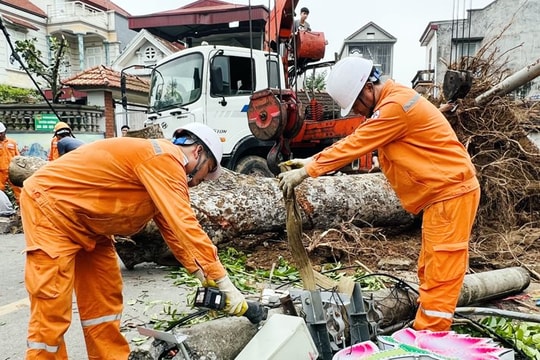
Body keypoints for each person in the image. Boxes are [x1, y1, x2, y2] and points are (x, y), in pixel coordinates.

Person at [278, 56, 481, 332]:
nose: (359, 113)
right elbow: (375, 139)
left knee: (441, 270)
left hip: (449, 193)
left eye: (357, 106)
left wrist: (309, 169)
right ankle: (430, 325)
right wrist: (312, 159)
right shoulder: (394, 100)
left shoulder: (394, 107)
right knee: (431, 266)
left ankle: (430, 335)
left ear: (366, 89)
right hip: (443, 193)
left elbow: (358, 141)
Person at [21, 122, 247, 359]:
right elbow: (186, 224)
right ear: (198, 152)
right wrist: (224, 282)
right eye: (207, 171)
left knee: (104, 302)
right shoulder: (166, 158)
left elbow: (174, 231)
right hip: (51, 211)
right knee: (52, 305)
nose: (202, 180)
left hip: (91, 224)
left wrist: (203, 274)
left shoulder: (160, 168)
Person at [0, 121, 21, 200]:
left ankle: (20, 207)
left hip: (12, 171)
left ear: (4, 132)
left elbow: (17, 156)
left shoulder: (12, 142)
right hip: (0, 173)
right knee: (0, 191)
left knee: (17, 190)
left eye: (0, 133)